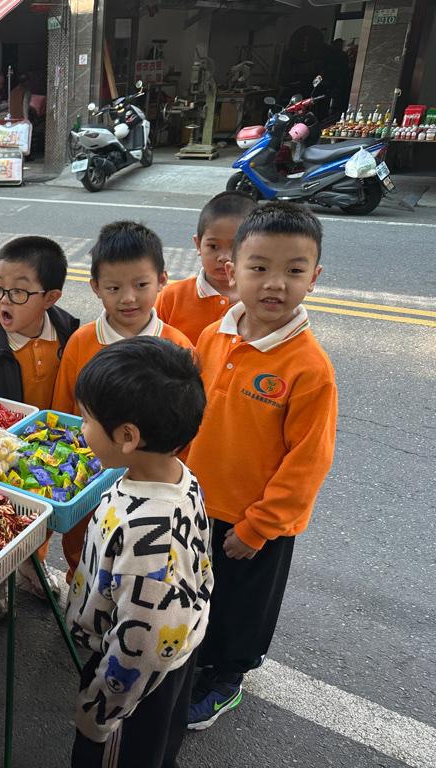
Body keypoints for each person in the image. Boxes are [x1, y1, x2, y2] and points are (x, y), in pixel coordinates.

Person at [185, 202, 337, 730]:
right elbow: (192, 414)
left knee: (242, 609)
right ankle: (197, 656)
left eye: (294, 270)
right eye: (260, 267)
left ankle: (225, 680)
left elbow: (308, 462)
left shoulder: (309, 368)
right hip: (199, 502)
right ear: (233, 271)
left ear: (314, 278)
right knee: (199, 591)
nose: (275, 283)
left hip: (255, 522)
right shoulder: (214, 335)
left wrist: (259, 527)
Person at [67, 336, 211, 768]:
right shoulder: (175, 475)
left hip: (134, 684)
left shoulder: (149, 543)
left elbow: (142, 648)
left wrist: (100, 713)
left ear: (127, 437)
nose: (81, 429)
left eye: (86, 419)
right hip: (170, 656)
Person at [51, 221, 193, 584]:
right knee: (85, 542)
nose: (128, 298)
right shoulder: (82, 342)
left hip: (150, 482)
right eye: (114, 288)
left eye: (141, 285)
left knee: (139, 559)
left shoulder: (178, 347)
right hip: (89, 475)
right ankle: (78, 585)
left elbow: (187, 424)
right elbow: (64, 412)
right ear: (96, 287)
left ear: (162, 280)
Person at [0, 236, 80, 618]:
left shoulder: (70, 337)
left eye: (20, 292)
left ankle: (32, 563)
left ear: (50, 298)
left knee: (42, 518)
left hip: (49, 457)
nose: (4, 300)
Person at [155, 191, 258, 344]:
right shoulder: (172, 297)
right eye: (213, 246)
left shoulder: (262, 301)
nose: (224, 257)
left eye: (235, 247)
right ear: (198, 245)